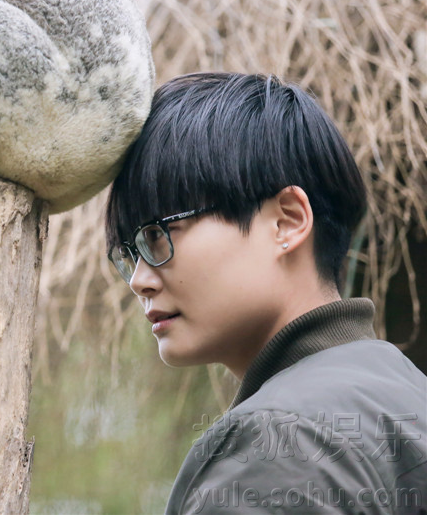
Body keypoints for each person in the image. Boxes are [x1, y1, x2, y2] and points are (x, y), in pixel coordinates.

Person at [104, 72, 426, 514]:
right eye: (129, 253)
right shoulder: (405, 394)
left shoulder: (277, 442)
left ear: (286, 222)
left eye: (159, 235)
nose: (140, 278)